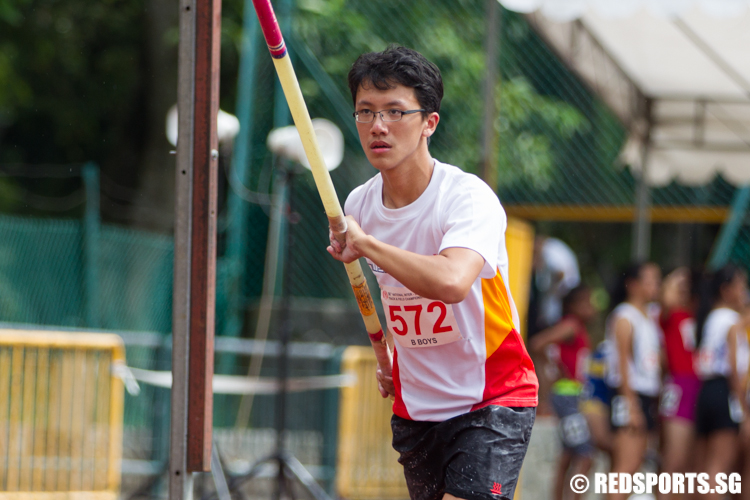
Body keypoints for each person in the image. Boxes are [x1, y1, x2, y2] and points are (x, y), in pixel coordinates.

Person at [327, 45, 539, 500]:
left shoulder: (467, 198)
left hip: (491, 400)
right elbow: (389, 292)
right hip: (416, 406)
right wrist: (389, 357)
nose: (378, 126)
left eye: (394, 112)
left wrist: (366, 244)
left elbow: (450, 282)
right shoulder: (359, 204)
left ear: (429, 123)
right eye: (365, 112)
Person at [530, 285, 594, 500]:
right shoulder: (571, 325)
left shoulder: (577, 327)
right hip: (567, 395)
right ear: (572, 306)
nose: (591, 307)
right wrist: (552, 370)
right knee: (585, 455)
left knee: (568, 455)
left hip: (571, 394)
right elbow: (538, 343)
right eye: (585, 302)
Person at [604, 262, 662, 500]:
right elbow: (623, 363)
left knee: (633, 466)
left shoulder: (647, 316)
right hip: (630, 396)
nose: (655, 286)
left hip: (644, 395)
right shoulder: (624, 317)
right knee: (625, 469)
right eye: (650, 280)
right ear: (633, 285)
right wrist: (632, 405)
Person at [694, 265, 749, 500]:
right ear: (726, 290)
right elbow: (734, 367)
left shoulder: (712, 316)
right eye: (741, 285)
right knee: (718, 470)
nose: (744, 291)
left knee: (708, 468)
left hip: (708, 391)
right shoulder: (730, 320)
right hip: (725, 391)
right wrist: (742, 408)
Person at [657, 267, 700, 499]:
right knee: (674, 462)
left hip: (698, 386)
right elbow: (668, 295)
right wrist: (679, 276)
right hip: (680, 385)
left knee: (690, 468)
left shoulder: (697, 314)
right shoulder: (669, 315)